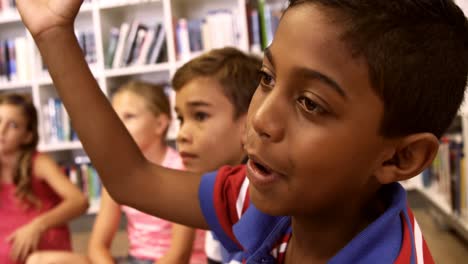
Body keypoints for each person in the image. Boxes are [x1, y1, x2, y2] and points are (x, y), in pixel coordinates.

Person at [16, 0, 468, 263]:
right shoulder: (263, 200)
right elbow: (133, 180)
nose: (261, 119)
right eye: (267, 79)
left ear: (400, 158)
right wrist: (54, 34)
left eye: (311, 103)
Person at [27, 81, 206, 264]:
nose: (118, 127)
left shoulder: (182, 170)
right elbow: (97, 246)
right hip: (134, 260)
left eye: (129, 117)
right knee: (39, 260)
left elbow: (179, 255)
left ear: (160, 124)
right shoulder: (118, 173)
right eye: (116, 118)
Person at [172, 47, 261, 263]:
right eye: (181, 119)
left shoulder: (254, 197)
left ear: (248, 124)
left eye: (200, 116)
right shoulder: (216, 189)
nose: (182, 134)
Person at [0, 93, 88, 264]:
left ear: (28, 136)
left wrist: (37, 226)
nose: (1, 130)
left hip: (42, 253)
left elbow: (79, 201)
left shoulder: (39, 162)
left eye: (13, 125)